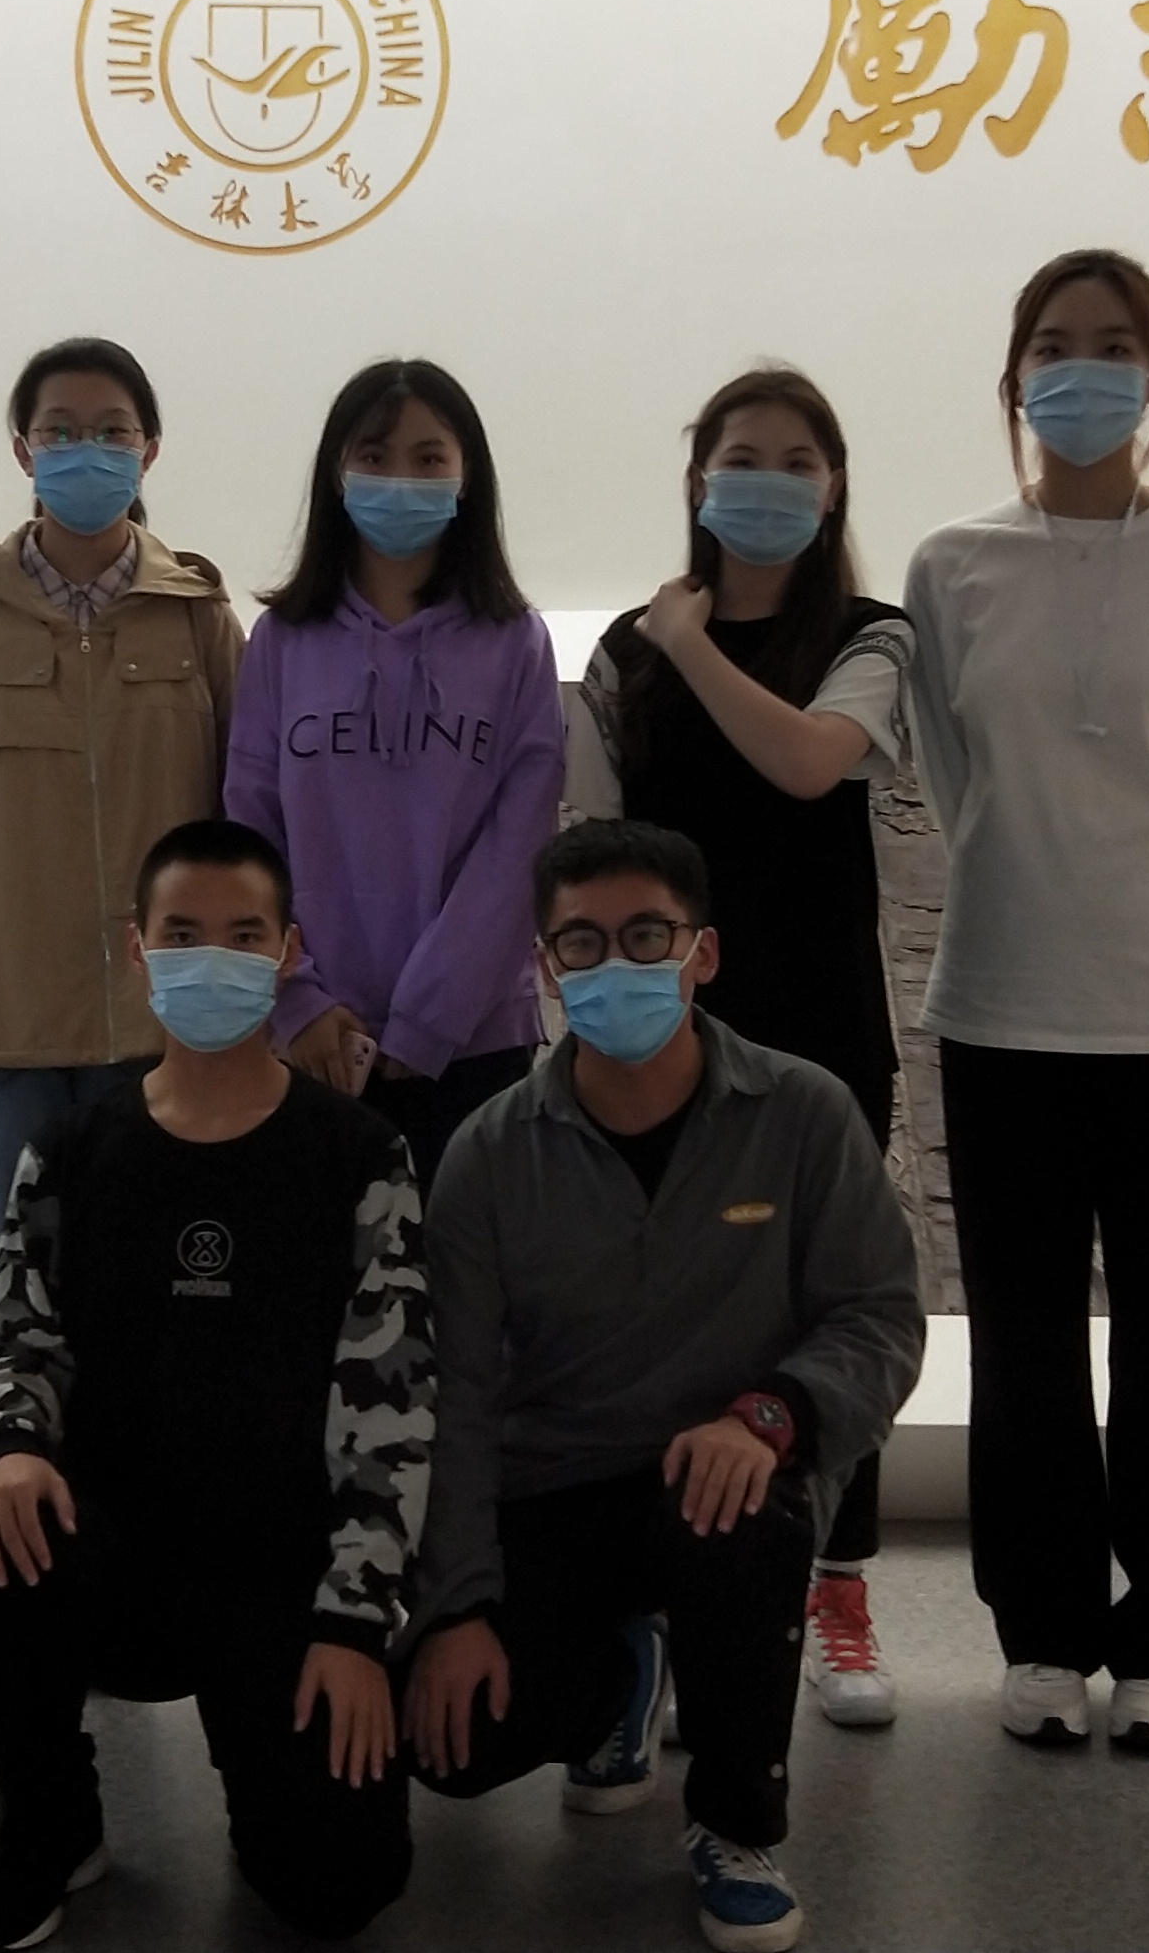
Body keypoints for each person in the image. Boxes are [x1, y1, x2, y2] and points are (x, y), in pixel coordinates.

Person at [905, 247, 1149, 1753]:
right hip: (1006, 1004)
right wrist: (1046, 902)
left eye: (1116, 344)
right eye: (1056, 345)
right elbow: (954, 783)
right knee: (1020, 1349)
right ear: (1014, 380)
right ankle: (1043, 1629)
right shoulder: (954, 565)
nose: (1085, 369)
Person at [409, 821, 923, 1953]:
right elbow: (460, 1394)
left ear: (703, 952)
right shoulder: (489, 1153)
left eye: (648, 935)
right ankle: (619, 1679)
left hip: (727, 1475)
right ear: (545, 967)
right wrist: (455, 1609)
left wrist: (772, 1415)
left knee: (736, 1523)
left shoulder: (803, 1113)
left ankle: (735, 1827)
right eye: (581, 943)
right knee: (453, 1750)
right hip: (555, 1488)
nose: (616, 964)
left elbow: (880, 1316)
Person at [0, 817, 428, 1950]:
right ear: (139, 947)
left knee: (338, 1889)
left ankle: (266, 1769)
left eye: (244, 935)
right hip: (113, 1552)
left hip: (280, 1572)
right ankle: (49, 1823)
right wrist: (9, 1446)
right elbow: (14, 1337)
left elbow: (391, 1406)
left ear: (288, 951)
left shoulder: (360, 1156)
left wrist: (356, 1624)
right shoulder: (72, 1149)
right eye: (183, 934)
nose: (213, 959)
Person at [566, 365, 920, 1729]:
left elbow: (811, 762)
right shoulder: (624, 653)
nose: (766, 481)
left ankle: (838, 1587)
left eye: (796, 461)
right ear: (697, 479)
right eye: (741, 457)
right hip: (664, 1032)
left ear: (833, 489)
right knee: (668, 1309)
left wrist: (694, 637)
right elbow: (592, 838)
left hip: (824, 1027)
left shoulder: (869, 636)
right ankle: (667, 1601)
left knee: (837, 1299)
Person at [0, 336, 247, 1337]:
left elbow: (246, 818)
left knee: (151, 1314)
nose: (89, 451)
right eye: (62, 431)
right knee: (7, 1314)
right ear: (23, 449)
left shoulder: (198, 616)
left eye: (112, 432)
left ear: (150, 450)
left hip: (157, 1026)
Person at [223, 357, 564, 1179]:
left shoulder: (516, 642)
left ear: (466, 476)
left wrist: (428, 1020)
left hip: (472, 1042)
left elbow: (518, 851)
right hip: (311, 1039)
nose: (400, 479)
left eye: (428, 457)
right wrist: (299, 1000)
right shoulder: (281, 640)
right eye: (374, 456)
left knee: (461, 1259)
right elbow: (251, 832)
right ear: (336, 473)